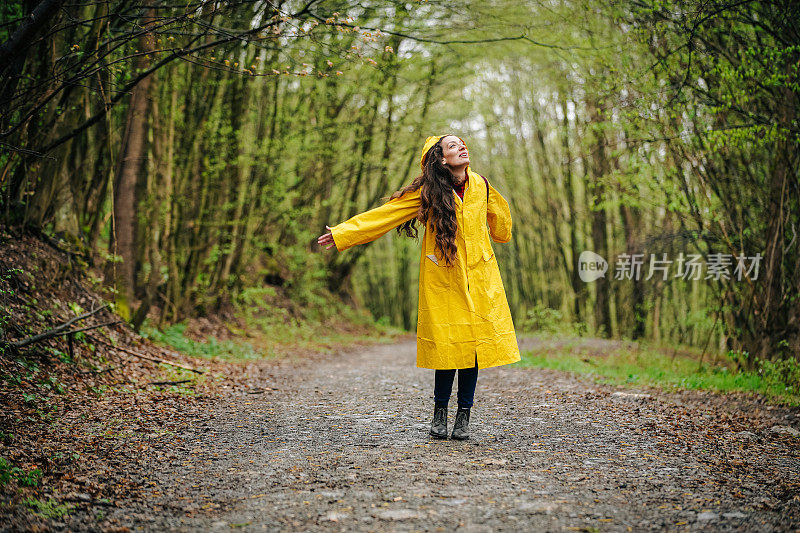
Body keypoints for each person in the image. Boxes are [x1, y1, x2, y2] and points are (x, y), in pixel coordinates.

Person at [317, 134, 520, 440]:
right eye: (453, 146)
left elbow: (501, 225)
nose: (462, 147)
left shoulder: (481, 185)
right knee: (449, 346)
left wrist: (497, 228)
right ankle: (440, 413)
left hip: (480, 278)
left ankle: (463, 417)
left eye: (463, 143)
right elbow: (385, 216)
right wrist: (344, 233)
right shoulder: (428, 193)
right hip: (444, 278)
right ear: (440, 159)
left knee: (473, 349)